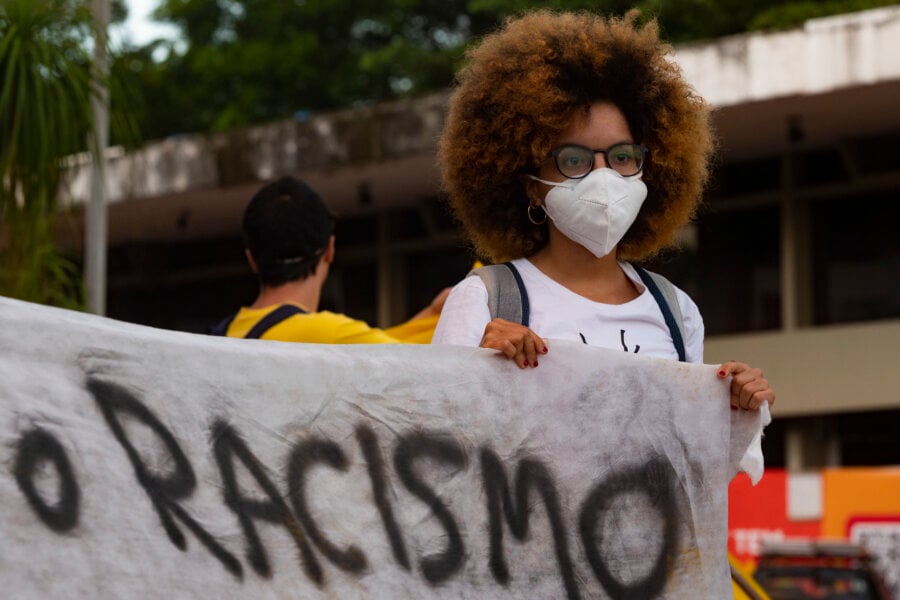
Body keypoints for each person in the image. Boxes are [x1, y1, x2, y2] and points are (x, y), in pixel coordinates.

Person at [432, 10, 774, 411]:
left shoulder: (675, 310)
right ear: (532, 188)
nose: (603, 175)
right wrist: (478, 366)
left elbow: (687, 455)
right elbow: (439, 442)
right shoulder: (486, 299)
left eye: (622, 156)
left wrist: (733, 404)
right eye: (574, 160)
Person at [212, 175, 449, 343]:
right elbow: (419, 371)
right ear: (329, 249)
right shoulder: (331, 335)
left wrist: (429, 313)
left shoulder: (219, 339)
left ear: (251, 259)